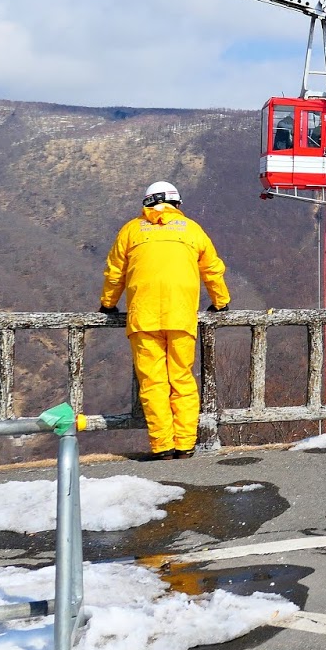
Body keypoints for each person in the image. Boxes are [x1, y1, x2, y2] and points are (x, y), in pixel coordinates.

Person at [100, 181, 231, 460]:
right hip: (180, 315)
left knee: (153, 382)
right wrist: (220, 302)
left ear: (146, 203)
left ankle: (162, 446)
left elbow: (115, 272)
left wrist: (108, 304)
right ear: (176, 204)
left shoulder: (131, 230)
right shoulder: (192, 230)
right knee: (182, 378)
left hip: (143, 317)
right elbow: (212, 269)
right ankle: (185, 444)